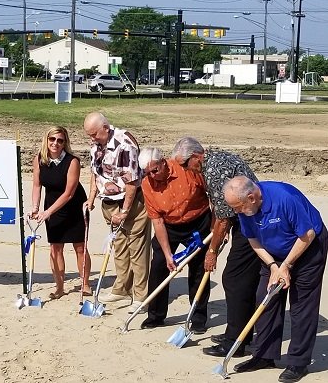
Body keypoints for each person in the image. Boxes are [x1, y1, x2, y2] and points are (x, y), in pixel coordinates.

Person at [223, 177, 327, 383]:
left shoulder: (284, 198)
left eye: (238, 207)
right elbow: (252, 239)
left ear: (251, 198)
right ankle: (264, 355)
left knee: (301, 305)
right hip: (274, 254)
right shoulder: (244, 208)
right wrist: (273, 266)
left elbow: (307, 234)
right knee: (265, 298)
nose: (236, 212)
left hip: (308, 248)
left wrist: (286, 266)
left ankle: (298, 362)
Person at [172, 137, 260, 358]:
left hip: (250, 224)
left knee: (234, 280)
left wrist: (212, 251)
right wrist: (217, 235)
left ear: (195, 157)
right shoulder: (215, 159)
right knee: (239, 280)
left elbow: (223, 218)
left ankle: (235, 342)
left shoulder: (213, 170)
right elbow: (220, 212)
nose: (186, 170)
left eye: (185, 165)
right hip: (243, 218)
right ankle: (241, 333)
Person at [82, 112, 151, 312]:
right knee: (119, 247)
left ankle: (141, 296)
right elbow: (95, 172)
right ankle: (122, 289)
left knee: (137, 249)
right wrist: (91, 197)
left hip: (131, 202)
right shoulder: (95, 143)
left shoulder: (125, 143)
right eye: (89, 135)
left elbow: (131, 182)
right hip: (109, 202)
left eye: (94, 134)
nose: (92, 138)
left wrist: (125, 211)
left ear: (105, 127)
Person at [138, 147, 211, 330]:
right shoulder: (147, 184)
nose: (152, 176)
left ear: (163, 162)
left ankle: (198, 318)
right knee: (159, 266)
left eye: (155, 170)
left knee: (198, 269)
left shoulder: (185, 169)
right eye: (148, 173)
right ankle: (155, 315)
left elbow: (211, 195)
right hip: (169, 226)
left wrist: (216, 229)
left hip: (198, 221)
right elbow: (157, 221)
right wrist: (168, 254)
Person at [29, 126, 90, 298]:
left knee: (80, 247)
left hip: (74, 206)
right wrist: (35, 208)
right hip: (52, 205)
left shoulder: (73, 161)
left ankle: (85, 284)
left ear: (65, 143)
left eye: (60, 140)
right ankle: (59, 287)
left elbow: (69, 193)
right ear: (46, 140)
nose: (55, 143)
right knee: (55, 247)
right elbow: (36, 185)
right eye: (52, 139)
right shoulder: (39, 159)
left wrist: (47, 212)